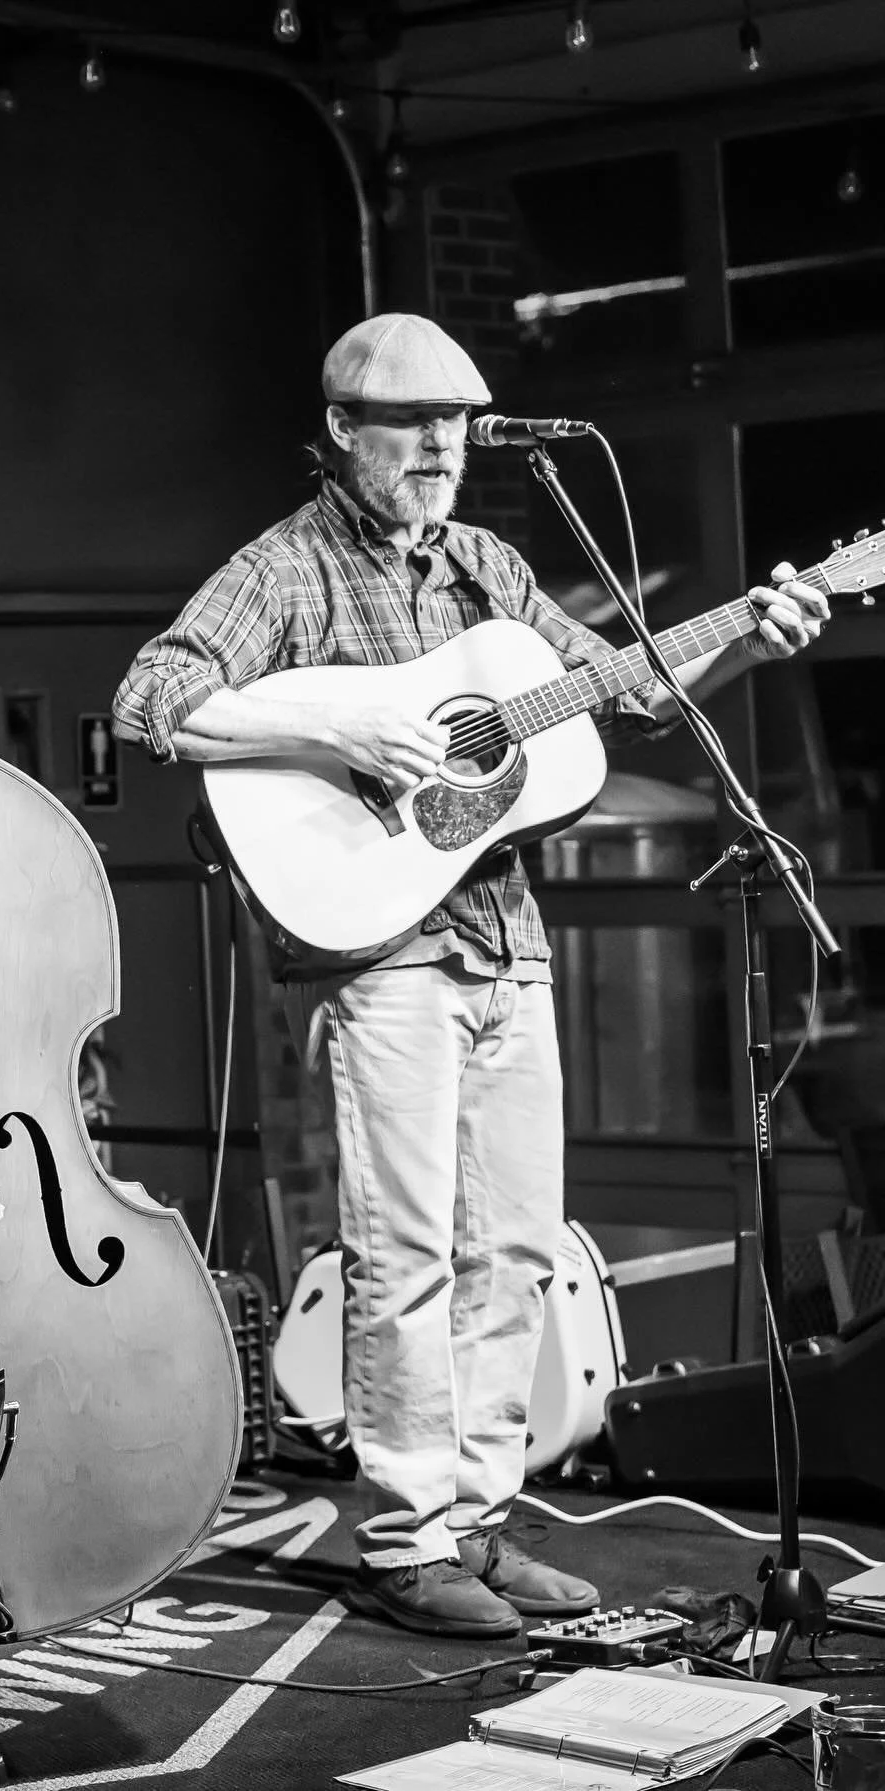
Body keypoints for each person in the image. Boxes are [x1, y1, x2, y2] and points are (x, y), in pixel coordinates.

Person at [113, 313, 828, 1638]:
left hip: (508, 942)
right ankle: (406, 1537)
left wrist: (747, 638)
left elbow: (627, 691)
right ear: (342, 429)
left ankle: (482, 1521)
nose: (440, 447)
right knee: (405, 1257)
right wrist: (345, 714)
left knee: (513, 1250)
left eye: (454, 424)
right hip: (381, 951)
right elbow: (154, 700)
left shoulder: (490, 566)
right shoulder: (284, 567)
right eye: (412, 424)